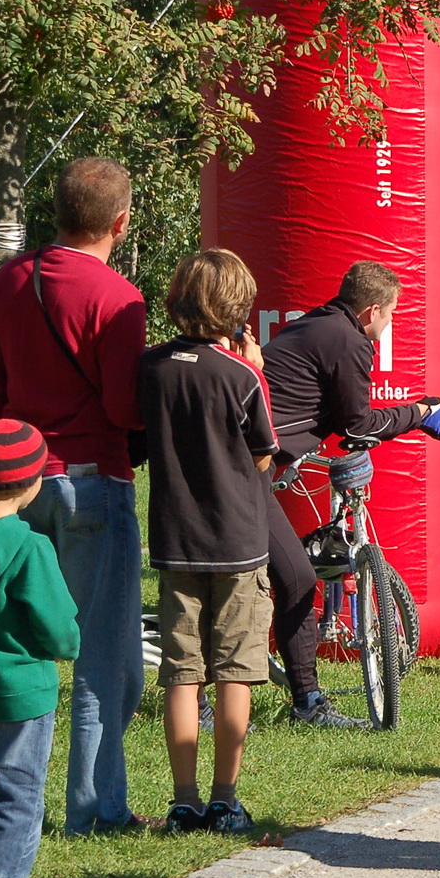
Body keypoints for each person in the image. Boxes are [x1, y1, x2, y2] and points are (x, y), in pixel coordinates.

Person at [0, 156, 145, 834]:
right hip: (91, 480)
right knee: (100, 656)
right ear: (120, 221)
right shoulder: (117, 297)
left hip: (18, 483)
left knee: (18, 647)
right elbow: (123, 407)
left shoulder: (8, 280)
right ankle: (95, 808)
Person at [261, 261, 440, 729]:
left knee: (266, 580)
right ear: (371, 311)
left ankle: (293, 699)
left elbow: (331, 415)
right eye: (390, 315)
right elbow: (358, 426)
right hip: (239, 470)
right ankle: (306, 704)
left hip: (248, 462)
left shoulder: (319, 322)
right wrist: (419, 413)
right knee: (294, 579)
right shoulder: (351, 341)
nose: (389, 325)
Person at [138, 250, 278, 834]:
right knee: (236, 669)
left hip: (175, 540)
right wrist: (258, 370)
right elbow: (263, 454)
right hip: (238, 542)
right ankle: (225, 796)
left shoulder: (151, 368)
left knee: (181, 670)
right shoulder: (240, 375)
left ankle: (182, 797)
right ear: (237, 307)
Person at [0, 420, 78, 878]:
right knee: (17, 790)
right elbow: (58, 629)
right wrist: (68, 644)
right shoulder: (30, 547)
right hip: (22, 690)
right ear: (33, 484)